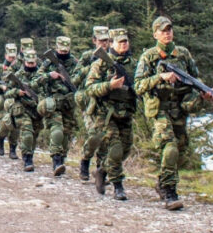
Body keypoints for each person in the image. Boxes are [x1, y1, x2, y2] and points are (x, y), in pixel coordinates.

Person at [134, 16, 211, 210]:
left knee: (180, 149)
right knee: (170, 147)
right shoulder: (149, 57)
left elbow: (195, 78)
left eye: (169, 30)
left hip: (179, 108)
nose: (167, 33)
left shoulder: (183, 54)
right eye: (163, 30)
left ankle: (162, 181)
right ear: (155, 34)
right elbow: (138, 86)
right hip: (159, 109)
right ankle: (170, 191)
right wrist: (160, 77)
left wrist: (204, 94)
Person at [83, 28, 137, 200]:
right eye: (120, 42)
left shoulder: (134, 64)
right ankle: (118, 185)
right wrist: (109, 86)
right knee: (115, 148)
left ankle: (102, 171)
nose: (123, 44)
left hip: (126, 113)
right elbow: (90, 88)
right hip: (105, 113)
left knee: (126, 149)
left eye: (125, 41)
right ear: (112, 43)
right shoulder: (100, 63)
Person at [33, 36, 79, 176]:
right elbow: (35, 82)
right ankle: (56, 160)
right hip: (53, 103)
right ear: (57, 48)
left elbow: (80, 80)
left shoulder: (75, 62)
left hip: (68, 104)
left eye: (66, 50)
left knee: (67, 134)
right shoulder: (48, 63)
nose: (63, 52)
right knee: (57, 130)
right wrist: (49, 75)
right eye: (61, 50)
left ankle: (62, 159)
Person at [76, 26, 111, 180]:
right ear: (94, 40)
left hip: (108, 104)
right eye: (101, 40)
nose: (104, 44)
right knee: (94, 135)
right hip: (90, 103)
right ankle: (85, 159)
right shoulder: (87, 57)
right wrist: (90, 67)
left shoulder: (113, 56)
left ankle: (100, 171)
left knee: (106, 139)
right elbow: (75, 79)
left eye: (107, 40)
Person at [3, 49, 44, 172]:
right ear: (24, 61)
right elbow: (7, 92)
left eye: (33, 63)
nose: (31, 65)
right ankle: (27, 159)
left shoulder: (41, 74)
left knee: (34, 135)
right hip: (22, 109)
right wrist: (17, 92)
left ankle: (30, 154)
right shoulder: (18, 75)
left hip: (37, 110)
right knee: (27, 132)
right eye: (29, 63)